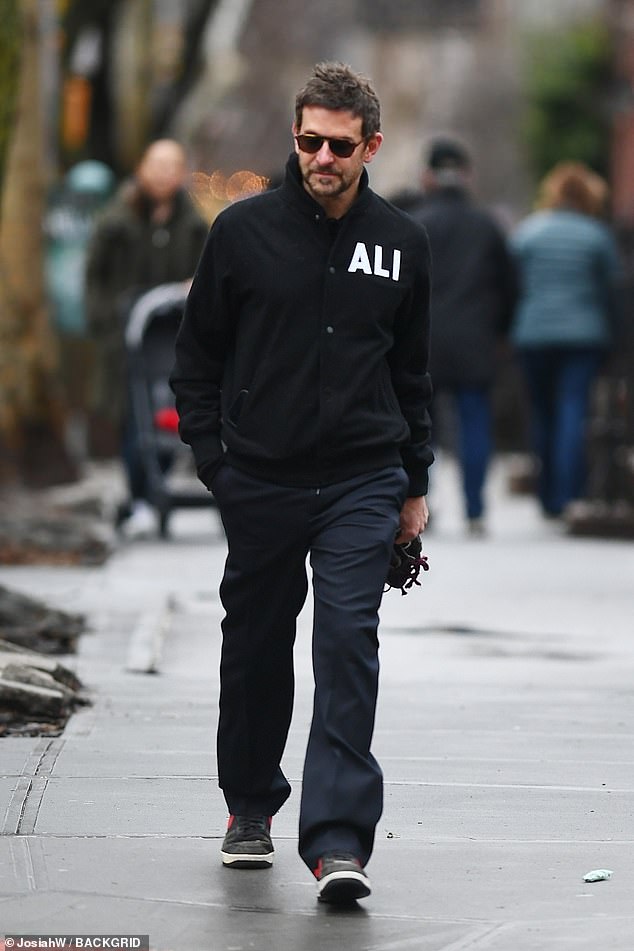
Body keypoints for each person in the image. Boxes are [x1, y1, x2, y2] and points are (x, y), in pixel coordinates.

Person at [170, 61, 433, 904]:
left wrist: (415, 484)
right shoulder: (240, 234)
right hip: (263, 479)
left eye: (341, 145)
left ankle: (337, 839)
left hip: (363, 475)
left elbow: (413, 372)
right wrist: (218, 465)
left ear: (372, 146)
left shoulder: (402, 243)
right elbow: (196, 360)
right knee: (255, 645)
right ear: (294, 135)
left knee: (347, 643)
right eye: (310, 140)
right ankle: (249, 806)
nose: (323, 156)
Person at [85, 139, 208, 537]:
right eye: (155, 164)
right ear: (142, 167)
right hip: (123, 339)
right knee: (132, 419)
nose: (162, 173)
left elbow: (210, 270)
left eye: (171, 165)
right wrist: (106, 319)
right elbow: (94, 276)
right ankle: (140, 497)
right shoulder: (116, 220)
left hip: (174, 339)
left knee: (168, 418)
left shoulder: (193, 224)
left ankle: (157, 491)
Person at [409, 137, 517, 534]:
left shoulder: (415, 223)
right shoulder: (487, 225)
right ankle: (475, 510)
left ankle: (424, 504)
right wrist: (502, 330)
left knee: (423, 427)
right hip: (476, 339)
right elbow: (509, 285)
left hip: (426, 342)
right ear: (467, 176)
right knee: (475, 423)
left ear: (427, 176)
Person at [510, 161, 621, 518]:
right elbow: (613, 288)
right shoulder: (597, 236)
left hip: (534, 333)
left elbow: (512, 282)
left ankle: (547, 496)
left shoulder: (528, 233)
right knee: (573, 409)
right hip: (583, 335)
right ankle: (567, 493)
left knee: (542, 412)